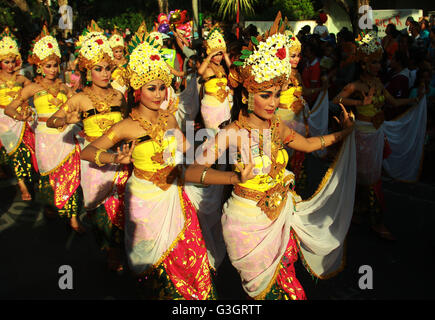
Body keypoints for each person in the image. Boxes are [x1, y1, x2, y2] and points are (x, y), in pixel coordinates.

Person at [185, 12, 355, 300]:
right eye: (266, 95)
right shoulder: (232, 132)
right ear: (248, 95)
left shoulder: (278, 127)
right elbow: (190, 172)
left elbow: (311, 145)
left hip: (282, 215)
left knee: (288, 284)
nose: (273, 103)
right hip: (247, 223)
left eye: (277, 94)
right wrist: (233, 176)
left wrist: (343, 134)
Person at [80, 34, 217, 300]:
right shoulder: (125, 126)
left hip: (174, 195)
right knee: (152, 269)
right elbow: (88, 151)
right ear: (137, 91)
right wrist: (113, 159)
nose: (158, 94)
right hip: (143, 200)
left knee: (189, 253)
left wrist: (216, 148)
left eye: (162, 87)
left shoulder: (169, 120)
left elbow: (186, 152)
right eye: (151, 88)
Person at [46, 20, 129, 271]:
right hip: (93, 162)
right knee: (96, 208)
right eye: (98, 69)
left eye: (107, 68)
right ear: (87, 71)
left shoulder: (118, 96)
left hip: (118, 158)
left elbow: (127, 123)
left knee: (121, 207)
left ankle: (115, 250)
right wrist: (65, 119)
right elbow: (52, 120)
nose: (105, 73)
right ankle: (106, 244)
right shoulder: (79, 98)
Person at [333, 31, 422, 240]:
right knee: (370, 179)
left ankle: (360, 209)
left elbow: (394, 102)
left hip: (376, 135)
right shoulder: (356, 86)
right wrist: (359, 103)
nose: (379, 67)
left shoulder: (379, 83)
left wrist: (415, 100)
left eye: (379, 63)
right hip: (362, 137)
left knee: (370, 176)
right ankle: (375, 220)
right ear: (364, 65)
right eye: (374, 63)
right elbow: (337, 99)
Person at [5, 25, 83, 231]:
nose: (53, 70)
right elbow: (10, 108)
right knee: (49, 175)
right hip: (44, 137)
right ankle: (51, 205)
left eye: (56, 65)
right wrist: (19, 115)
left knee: (72, 173)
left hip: (65, 134)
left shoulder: (65, 87)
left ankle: (73, 217)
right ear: (40, 67)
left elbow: (80, 103)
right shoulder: (33, 87)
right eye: (48, 66)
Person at [0, 26, 36, 201]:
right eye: (6, 62)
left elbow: (35, 91)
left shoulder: (22, 79)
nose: (10, 65)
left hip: (20, 117)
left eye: (12, 62)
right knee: (13, 151)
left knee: (24, 150)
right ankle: (22, 185)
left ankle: (27, 177)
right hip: (2, 118)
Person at [198, 24, 232, 133]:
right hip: (210, 107)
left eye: (220, 55)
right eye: (215, 55)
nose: (218, 57)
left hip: (223, 106)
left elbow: (233, 70)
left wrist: (225, 55)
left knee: (223, 136)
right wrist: (210, 54)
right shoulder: (206, 68)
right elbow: (199, 72)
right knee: (212, 137)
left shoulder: (222, 68)